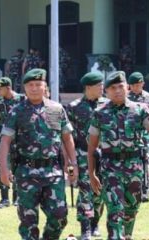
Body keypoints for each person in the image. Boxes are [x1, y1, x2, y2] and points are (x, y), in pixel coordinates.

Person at [0, 68, 78, 240]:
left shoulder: (57, 109)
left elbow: (67, 137)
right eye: (30, 85)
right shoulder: (17, 111)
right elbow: (5, 141)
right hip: (26, 173)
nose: (34, 88)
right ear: (25, 88)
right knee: (28, 221)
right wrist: (3, 169)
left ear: (45, 86)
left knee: (59, 215)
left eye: (38, 84)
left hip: (53, 171)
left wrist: (73, 163)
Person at [87, 71, 149, 239]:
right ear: (106, 92)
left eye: (120, 86)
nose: (118, 91)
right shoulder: (99, 113)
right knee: (114, 210)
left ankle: (127, 235)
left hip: (134, 168)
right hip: (110, 169)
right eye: (113, 88)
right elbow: (92, 147)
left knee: (131, 209)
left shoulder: (140, 110)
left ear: (127, 88)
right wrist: (92, 174)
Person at [66, 72, 106, 240]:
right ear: (88, 87)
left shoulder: (107, 105)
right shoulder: (74, 107)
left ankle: (95, 222)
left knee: (100, 192)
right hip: (82, 155)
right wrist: (70, 162)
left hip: (104, 156)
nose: (102, 88)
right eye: (99, 86)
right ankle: (85, 228)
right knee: (85, 191)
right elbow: (68, 136)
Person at [0, 77, 25, 208]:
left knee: (18, 167)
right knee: (2, 165)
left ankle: (17, 198)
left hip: (19, 139)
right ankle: (4, 198)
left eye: (0, 88)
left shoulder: (22, 100)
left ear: (8, 88)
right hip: (2, 140)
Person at [128, 72, 149, 202]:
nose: (137, 87)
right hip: (131, 135)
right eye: (134, 85)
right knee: (132, 162)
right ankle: (132, 189)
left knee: (145, 161)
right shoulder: (126, 97)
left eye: (139, 85)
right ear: (130, 85)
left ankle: (144, 190)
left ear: (143, 84)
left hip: (145, 136)